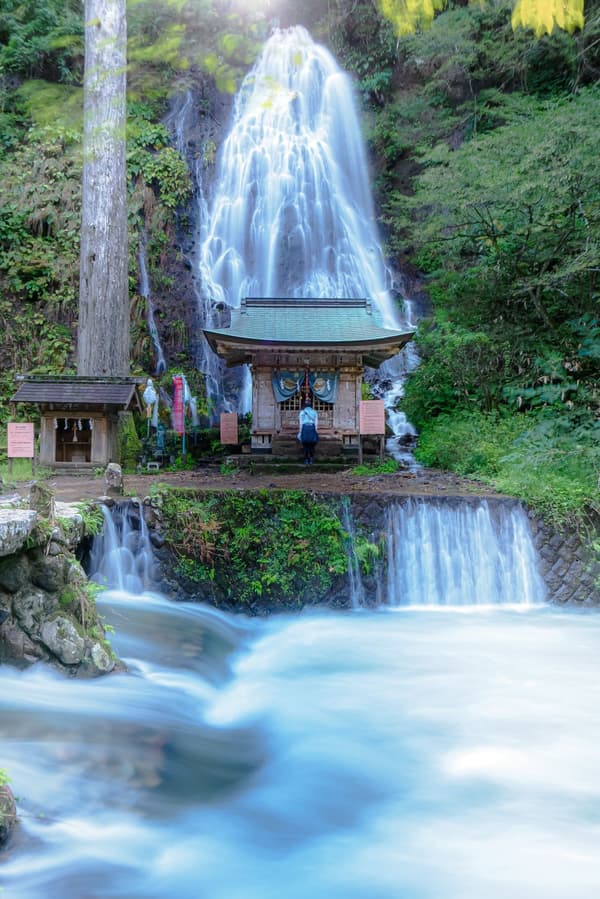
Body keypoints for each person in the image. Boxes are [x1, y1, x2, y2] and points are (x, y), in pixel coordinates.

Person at [298, 398, 319, 465]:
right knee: (312, 446)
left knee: (305, 445)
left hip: (305, 428)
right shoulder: (314, 412)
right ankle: (311, 459)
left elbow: (301, 423)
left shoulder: (302, 412)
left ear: (305, 404)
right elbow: (316, 423)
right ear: (311, 405)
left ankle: (306, 460)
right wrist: (315, 432)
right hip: (312, 428)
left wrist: (300, 432)